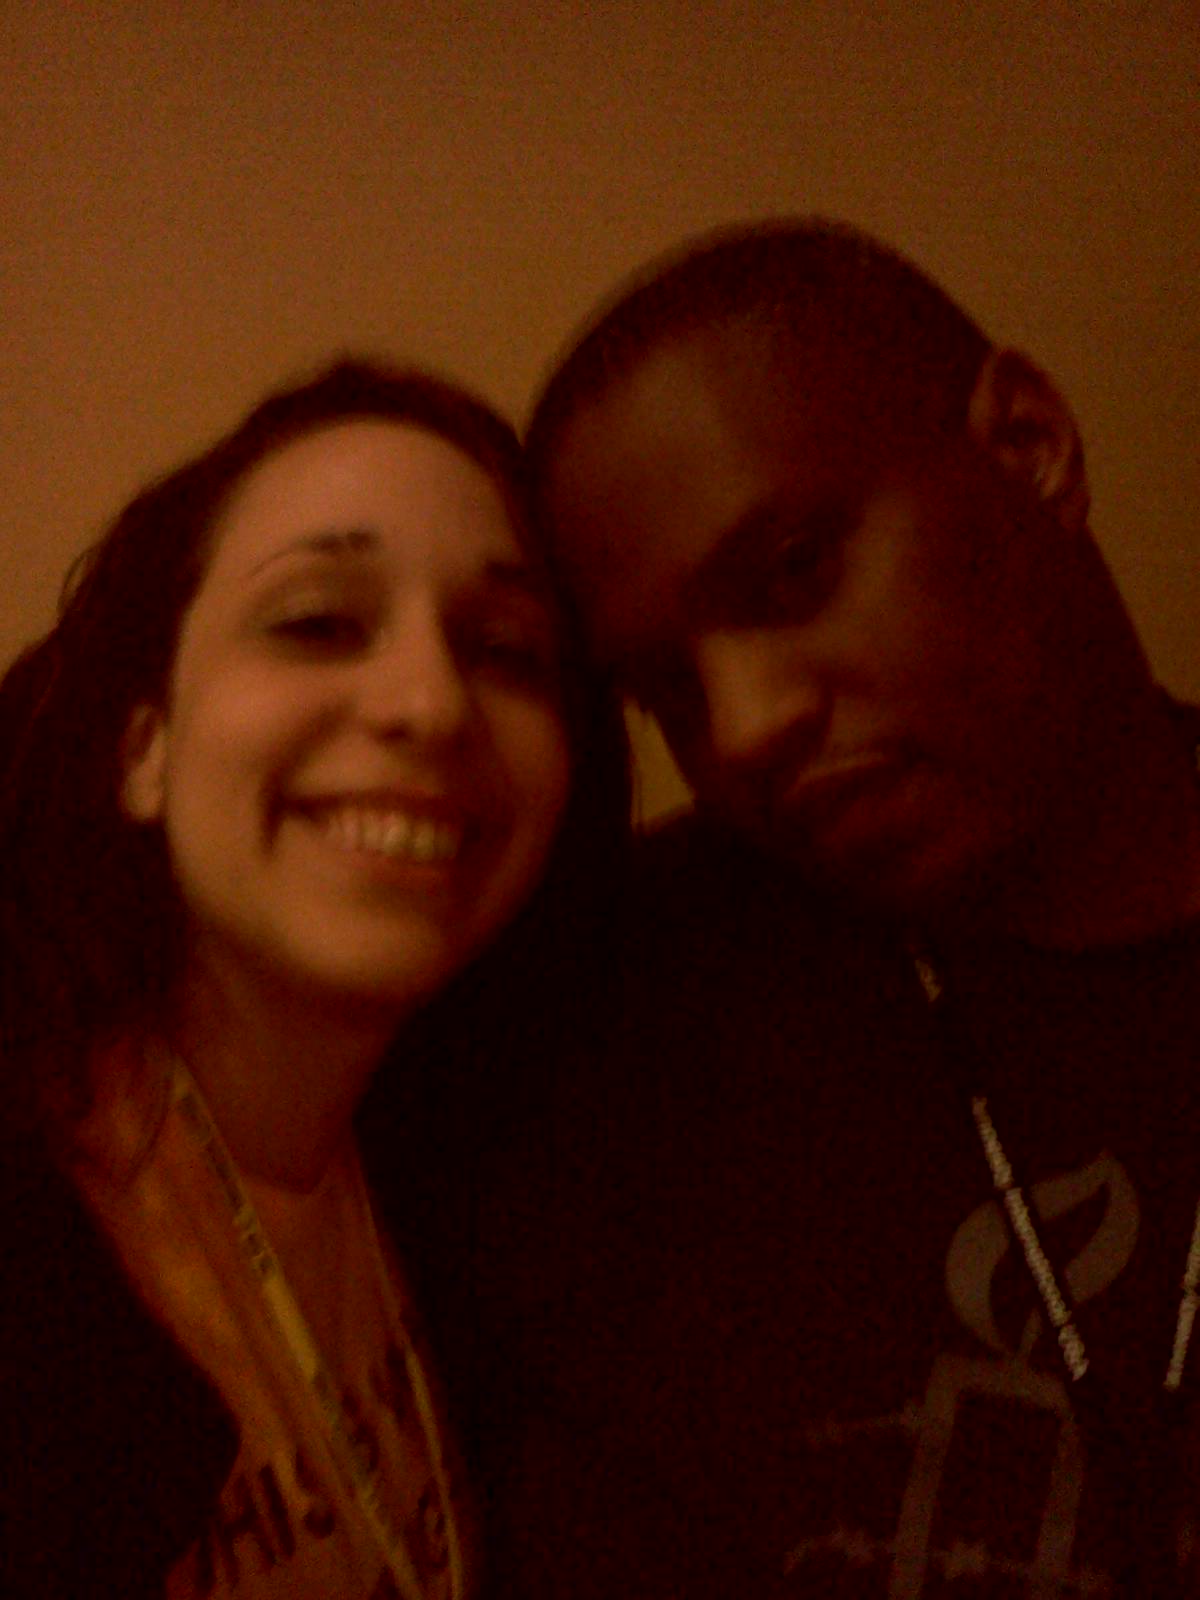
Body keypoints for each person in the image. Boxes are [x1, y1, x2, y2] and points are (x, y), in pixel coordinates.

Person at [516, 219, 1200, 1596]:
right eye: (667, 690)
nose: (742, 727)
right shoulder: (619, 1014)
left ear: (1029, 446)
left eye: (793, 572)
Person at [0, 358, 629, 1600]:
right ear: (144, 748)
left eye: (507, 650)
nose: (432, 704)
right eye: (317, 622)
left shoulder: (498, 1182)